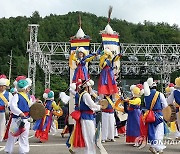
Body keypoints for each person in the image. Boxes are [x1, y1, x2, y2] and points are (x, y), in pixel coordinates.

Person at [70, 79, 101, 154]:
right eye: (90, 87)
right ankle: (90, 152)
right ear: (87, 87)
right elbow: (92, 106)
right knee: (90, 137)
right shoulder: (86, 95)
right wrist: (101, 107)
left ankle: (89, 151)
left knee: (88, 136)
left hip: (86, 117)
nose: (91, 88)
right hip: (87, 118)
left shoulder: (82, 94)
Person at [4, 77, 33, 154]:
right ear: (25, 88)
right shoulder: (16, 96)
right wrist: (20, 112)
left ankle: (24, 151)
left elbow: (30, 106)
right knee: (13, 135)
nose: (29, 89)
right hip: (17, 118)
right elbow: (13, 106)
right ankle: (8, 150)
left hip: (26, 118)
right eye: (28, 88)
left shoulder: (28, 97)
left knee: (24, 135)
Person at [144, 78, 168, 154]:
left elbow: (145, 105)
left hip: (149, 115)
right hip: (158, 115)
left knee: (152, 131)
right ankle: (158, 148)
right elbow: (165, 105)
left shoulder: (146, 95)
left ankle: (153, 146)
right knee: (159, 131)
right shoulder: (159, 94)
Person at [0, 74, 13, 142]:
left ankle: (1, 138)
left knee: (2, 125)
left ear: (5, 86)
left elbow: (11, 103)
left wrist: (7, 104)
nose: (1, 87)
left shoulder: (9, 94)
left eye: (3, 86)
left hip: (3, 112)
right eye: (0, 86)